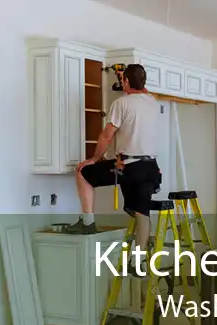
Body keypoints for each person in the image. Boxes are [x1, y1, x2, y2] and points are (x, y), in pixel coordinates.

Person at [66, 64, 161, 262]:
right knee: (142, 212)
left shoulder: (121, 103)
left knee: (84, 173)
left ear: (125, 81)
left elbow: (106, 135)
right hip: (151, 168)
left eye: (123, 80)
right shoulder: (152, 101)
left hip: (128, 166)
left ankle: (88, 222)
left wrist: (94, 158)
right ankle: (138, 261)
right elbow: (141, 89)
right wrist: (129, 77)